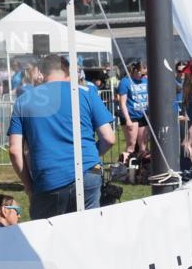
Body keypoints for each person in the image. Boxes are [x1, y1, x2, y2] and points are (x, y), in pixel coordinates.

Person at [8, 55, 116, 219]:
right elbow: (109, 138)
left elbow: (15, 151)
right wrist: (89, 156)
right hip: (88, 172)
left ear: (41, 73)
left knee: (48, 237)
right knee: (88, 231)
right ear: (69, 72)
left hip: (48, 178)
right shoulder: (86, 92)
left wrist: (29, 187)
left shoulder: (23, 101)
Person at [117, 61, 149, 166]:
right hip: (131, 116)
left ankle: (140, 169)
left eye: (145, 74)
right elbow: (122, 103)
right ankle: (124, 169)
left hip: (143, 115)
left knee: (143, 145)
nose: (144, 76)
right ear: (135, 71)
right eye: (142, 74)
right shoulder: (125, 82)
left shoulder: (145, 81)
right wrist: (128, 120)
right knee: (131, 144)